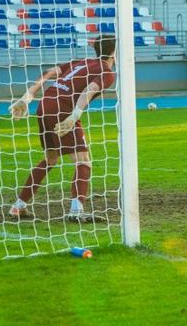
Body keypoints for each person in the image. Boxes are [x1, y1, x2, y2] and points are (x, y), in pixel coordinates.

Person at [7, 35, 117, 221]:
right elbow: (88, 90)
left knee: (50, 158)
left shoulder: (82, 62)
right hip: (63, 107)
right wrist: (74, 116)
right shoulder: (106, 72)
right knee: (83, 160)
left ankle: (18, 206)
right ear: (115, 52)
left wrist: (27, 97)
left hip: (45, 103)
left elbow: (48, 73)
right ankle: (76, 212)